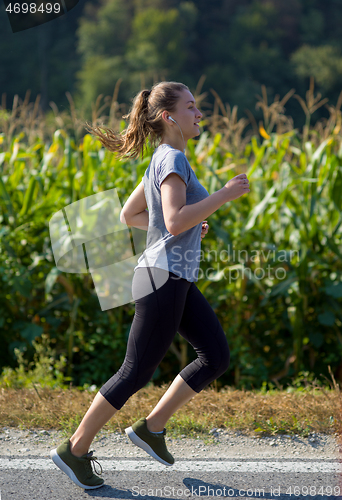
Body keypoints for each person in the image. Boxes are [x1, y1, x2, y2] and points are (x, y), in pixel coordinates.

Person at [50, 81, 250, 489]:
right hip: (163, 278)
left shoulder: (162, 158)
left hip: (172, 277)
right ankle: (74, 448)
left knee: (215, 355)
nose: (198, 114)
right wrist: (224, 195)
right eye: (191, 107)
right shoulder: (173, 158)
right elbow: (174, 220)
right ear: (168, 116)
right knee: (134, 371)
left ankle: (151, 428)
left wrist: (191, 225)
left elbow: (131, 215)